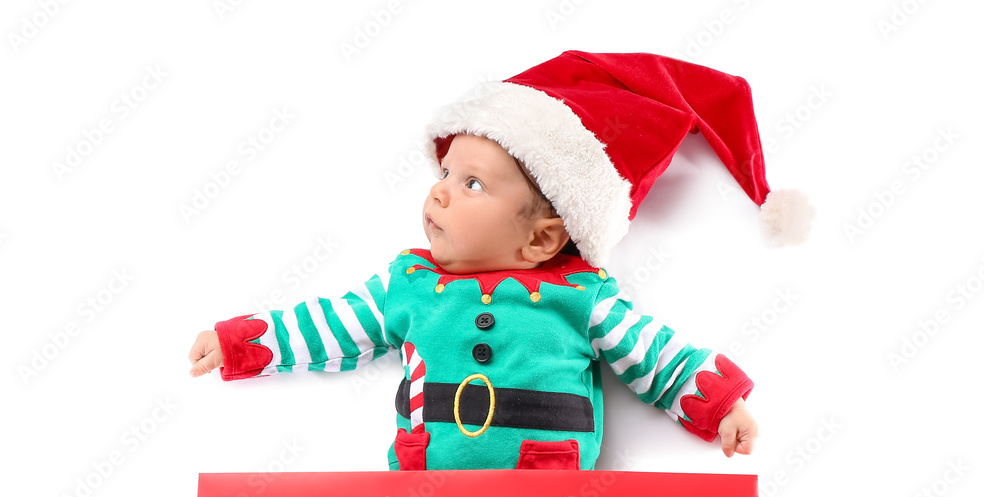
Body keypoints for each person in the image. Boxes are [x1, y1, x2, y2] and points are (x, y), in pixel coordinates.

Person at [190, 51, 812, 471]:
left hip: (551, 496)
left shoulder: (583, 297)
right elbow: (327, 326)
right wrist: (244, 343)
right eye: (445, 173)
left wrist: (719, 405)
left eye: (474, 185)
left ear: (542, 241)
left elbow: (657, 357)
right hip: (423, 494)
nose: (438, 192)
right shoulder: (407, 285)